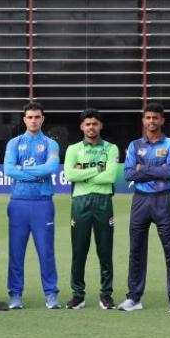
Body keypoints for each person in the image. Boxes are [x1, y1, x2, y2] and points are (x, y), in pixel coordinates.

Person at [118, 102, 170, 314]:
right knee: (136, 249)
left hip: (162, 199)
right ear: (143, 120)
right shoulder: (135, 145)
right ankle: (134, 298)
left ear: (162, 120)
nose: (151, 121)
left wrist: (142, 168)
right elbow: (128, 173)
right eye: (148, 118)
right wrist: (155, 168)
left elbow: (169, 172)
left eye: (155, 117)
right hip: (140, 200)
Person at [3, 101, 61, 309]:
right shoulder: (14, 143)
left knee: (46, 251)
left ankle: (51, 293)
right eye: (30, 117)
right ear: (24, 119)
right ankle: (15, 294)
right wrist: (37, 173)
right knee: (16, 252)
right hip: (18, 203)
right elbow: (9, 170)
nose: (33, 121)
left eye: (37, 117)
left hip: (42, 204)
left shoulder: (50, 144)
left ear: (42, 119)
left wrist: (23, 171)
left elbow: (51, 168)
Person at [62, 108, 120, 310]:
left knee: (105, 250)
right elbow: (70, 175)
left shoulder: (111, 148)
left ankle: (106, 295)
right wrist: (97, 169)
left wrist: (83, 173)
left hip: (104, 201)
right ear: (82, 127)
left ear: (100, 125)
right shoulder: (73, 149)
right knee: (79, 250)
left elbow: (110, 176)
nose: (91, 127)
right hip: (80, 202)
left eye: (95, 123)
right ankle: (78, 295)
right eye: (87, 124)